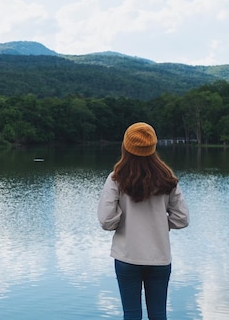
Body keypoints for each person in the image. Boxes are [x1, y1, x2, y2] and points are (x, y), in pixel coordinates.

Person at [98, 122, 189, 320]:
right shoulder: (167, 178)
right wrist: (159, 224)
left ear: (126, 146)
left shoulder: (116, 178)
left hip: (127, 256)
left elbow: (106, 221)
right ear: (153, 147)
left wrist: (123, 221)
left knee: (131, 315)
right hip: (159, 257)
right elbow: (182, 219)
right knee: (158, 315)